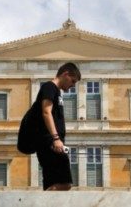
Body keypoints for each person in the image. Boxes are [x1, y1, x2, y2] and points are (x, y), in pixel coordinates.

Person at [33, 62, 81, 191]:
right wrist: (56, 138)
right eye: (72, 81)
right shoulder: (49, 87)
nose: (72, 86)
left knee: (52, 184)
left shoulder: (56, 92)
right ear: (65, 74)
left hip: (53, 143)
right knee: (65, 183)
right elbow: (46, 112)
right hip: (51, 143)